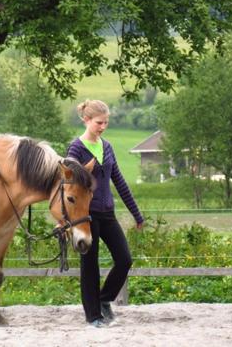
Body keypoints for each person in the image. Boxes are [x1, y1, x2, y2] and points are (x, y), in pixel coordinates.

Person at [67, 99, 144, 328]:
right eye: (99, 122)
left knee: (124, 259)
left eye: (106, 123)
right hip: (86, 216)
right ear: (86, 120)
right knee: (89, 266)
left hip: (108, 212)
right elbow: (68, 186)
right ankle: (93, 316)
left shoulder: (107, 147)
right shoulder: (76, 149)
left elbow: (119, 181)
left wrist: (136, 214)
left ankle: (104, 300)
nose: (102, 127)